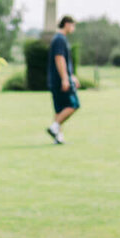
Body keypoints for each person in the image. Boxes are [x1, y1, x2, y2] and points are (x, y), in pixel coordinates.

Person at [45, 14, 79, 145]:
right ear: (67, 24)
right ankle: (54, 127)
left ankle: (58, 136)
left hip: (56, 79)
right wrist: (65, 78)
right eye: (73, 25)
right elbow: (59, 58)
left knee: (59, 109)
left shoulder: (58, 38)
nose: (73, 28)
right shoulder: (60, 39)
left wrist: (71, 76)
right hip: (60, 79)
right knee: (74, 105)